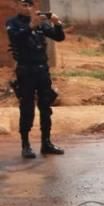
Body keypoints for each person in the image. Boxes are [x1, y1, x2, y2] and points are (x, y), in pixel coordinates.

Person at [6, 0, 66, 159]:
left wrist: (57, 24)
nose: (27, 8)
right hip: (25, 72)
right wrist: (31, 26)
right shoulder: (12, 23)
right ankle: (25, 145)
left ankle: (46, 143)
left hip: (42, 71)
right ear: (16, 6)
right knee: (27, 109)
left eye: (30, 5)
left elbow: (59, 37)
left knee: (46, 108)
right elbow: (16, 38)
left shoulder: (40, 23)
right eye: (24, 5)